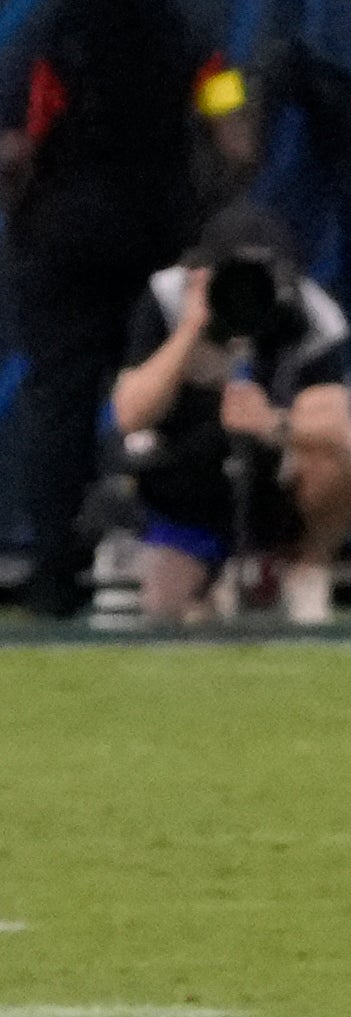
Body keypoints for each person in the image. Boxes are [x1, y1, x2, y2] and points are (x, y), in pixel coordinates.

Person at [2, 0, 249, 618]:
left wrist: (25, 215)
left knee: (58, 402)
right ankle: (186, 572)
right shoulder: (193, 27)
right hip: (163, 236)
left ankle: (56, 580)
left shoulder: (49, 27)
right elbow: (236, 135)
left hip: (64, 240)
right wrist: (210, 212)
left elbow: (12, 148)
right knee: (173, 400)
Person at [109, 208, 351, 626]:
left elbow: (335, 425)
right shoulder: (167, 298)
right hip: (185, 471)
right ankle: (208, 585)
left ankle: (304, 571)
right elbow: (130, 414)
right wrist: (191, 329)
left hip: (274, 471)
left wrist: (272, 423)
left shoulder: (310, 313)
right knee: (164, 614)